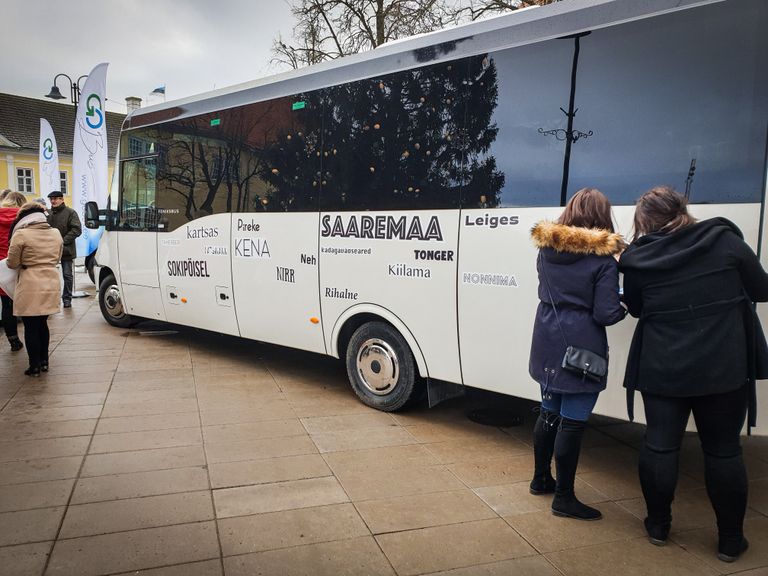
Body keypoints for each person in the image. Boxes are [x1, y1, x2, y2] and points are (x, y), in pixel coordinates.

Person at [619, 186, 768, 562]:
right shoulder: (726, 241)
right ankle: (731, 541)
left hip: (662, 366)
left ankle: (657, 526)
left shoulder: (637, 258)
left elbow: (636, 308)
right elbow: (762, 290)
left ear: (645, 221)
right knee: (723, 452)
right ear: (681, 209)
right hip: (723, 365)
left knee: (659, 445)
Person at [529, 187, 626, 520]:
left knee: (548, 411)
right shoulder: (603, 261)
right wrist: (625, 305)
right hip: (582, 344)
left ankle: (541, 479)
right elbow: (606, 313)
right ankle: (564, 498)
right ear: (601, 218)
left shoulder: (545, 249)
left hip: (546, 337)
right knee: (572, 423)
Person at [6, 202, 63, 376]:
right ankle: (45, 361)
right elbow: (59, 255)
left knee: (30, 326)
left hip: (30, 282)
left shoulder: (21, 234)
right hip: (51, 281)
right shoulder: (56, 233)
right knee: (42, 323)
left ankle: (34, 365)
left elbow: (11, 262)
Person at [0, 191, 27, 351]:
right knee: (27, 303)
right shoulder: (24, 219)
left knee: (7, 305)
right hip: (19, 266)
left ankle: (13, 340)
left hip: (1, 267)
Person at [46, 191, 81, 308]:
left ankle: (67, 299)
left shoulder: (71, 212)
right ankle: (50, 299)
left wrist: (62, 241)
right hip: (50, 250)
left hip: (66, 249)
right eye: (51, 199)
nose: (53, 201)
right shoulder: (48, 213)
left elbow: (76, 230)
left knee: (67, 275)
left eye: (55, 199)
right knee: (48, 276)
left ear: (62, 199)